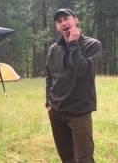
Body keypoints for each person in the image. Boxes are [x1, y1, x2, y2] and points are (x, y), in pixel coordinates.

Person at [45, 8, 102, 163]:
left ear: (76, 20)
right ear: (57, 27)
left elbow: (85, 72)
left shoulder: (92, 45)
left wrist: (74, 44)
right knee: (66, 157)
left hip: (79, 113)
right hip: (56, 112)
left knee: (84, 158)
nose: (63, 23)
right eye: (59, 21)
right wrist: (48, 103)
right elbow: (50, 77)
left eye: (66, 19)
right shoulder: (53, 49)